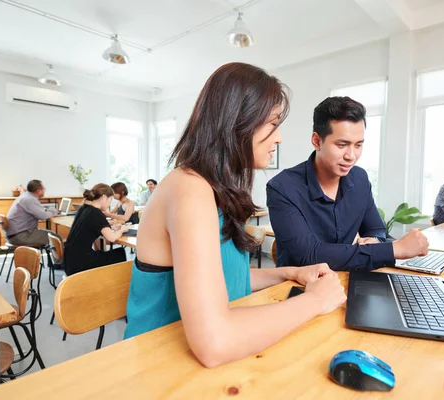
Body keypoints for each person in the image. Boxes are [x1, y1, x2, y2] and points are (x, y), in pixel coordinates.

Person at [124, 62, 346, 368]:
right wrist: (316, 301)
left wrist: (288, 273)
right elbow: (215, 342)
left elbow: (219, 279)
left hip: (191, 360)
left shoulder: (213, 189)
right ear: (236, 124)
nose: (279, 137)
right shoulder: (189, 189)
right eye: (272, 124)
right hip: (155, 365)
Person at [266, 96, 428, 271]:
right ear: (316, 141)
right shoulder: (282, 187)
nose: (351, 156)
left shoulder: (359, 179)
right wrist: (394, 249)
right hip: (297, 288)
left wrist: (375, 240)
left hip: (346, 279)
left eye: (358, 145)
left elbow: (376, 229)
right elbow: (309, 255)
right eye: (342, 145)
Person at [64, 184, 128, 276]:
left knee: (105, 254)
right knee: (119, 253)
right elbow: (112, 238)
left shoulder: (84, 208)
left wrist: (108, 226)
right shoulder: (96, 213)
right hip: (80, 264)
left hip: (70, 260)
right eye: (110, 200)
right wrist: (122, 229)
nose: (110, 203)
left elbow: (92, 225)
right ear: (104, 197)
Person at [6, 179, 59, 245]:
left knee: (51, 235)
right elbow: (43, 216)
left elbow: (40, 212)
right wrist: (55, 211)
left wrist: (48, 211)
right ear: (38, 191)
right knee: (56, 238)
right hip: (21, 235)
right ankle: (63, 255)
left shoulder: (25, 196)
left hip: (16, 234)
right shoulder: (30, 199)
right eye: (43, 189)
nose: (44, 191)